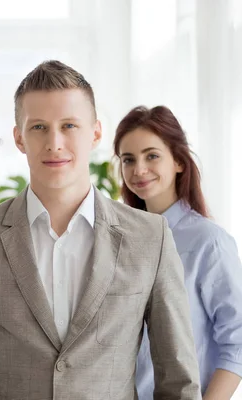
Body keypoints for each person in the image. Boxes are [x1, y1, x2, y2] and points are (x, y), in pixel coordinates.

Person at [0, 60, 201, 399]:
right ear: (19, 137)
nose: (54, 142)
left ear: (95, 133)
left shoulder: (150, 238)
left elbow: (179, 380)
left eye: (69, 125)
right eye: (38, 127)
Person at [114, 105, 242, 399]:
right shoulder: (121, 241)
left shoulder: (208, 242)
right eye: (128, 159)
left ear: (179, 162)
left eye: (152, 156)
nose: (139, 170)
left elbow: (238, 342)